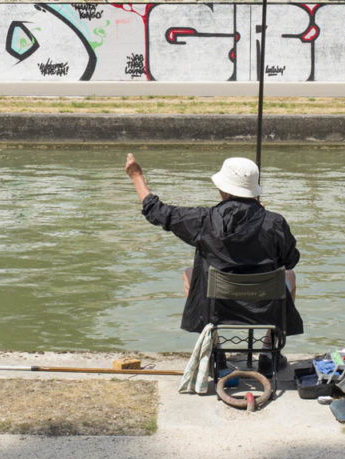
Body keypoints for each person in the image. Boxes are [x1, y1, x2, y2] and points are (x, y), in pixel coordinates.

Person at [124, 153, 303, 360]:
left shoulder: (203, 221)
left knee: (189, 273)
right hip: (263, 307)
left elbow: (157, 211)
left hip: (216, 307)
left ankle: (213, 346)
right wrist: (265, 220)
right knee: (289, 276)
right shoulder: (275, 222)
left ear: (223, 189)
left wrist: (136, 176)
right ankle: (269, 348)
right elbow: (290, 261)